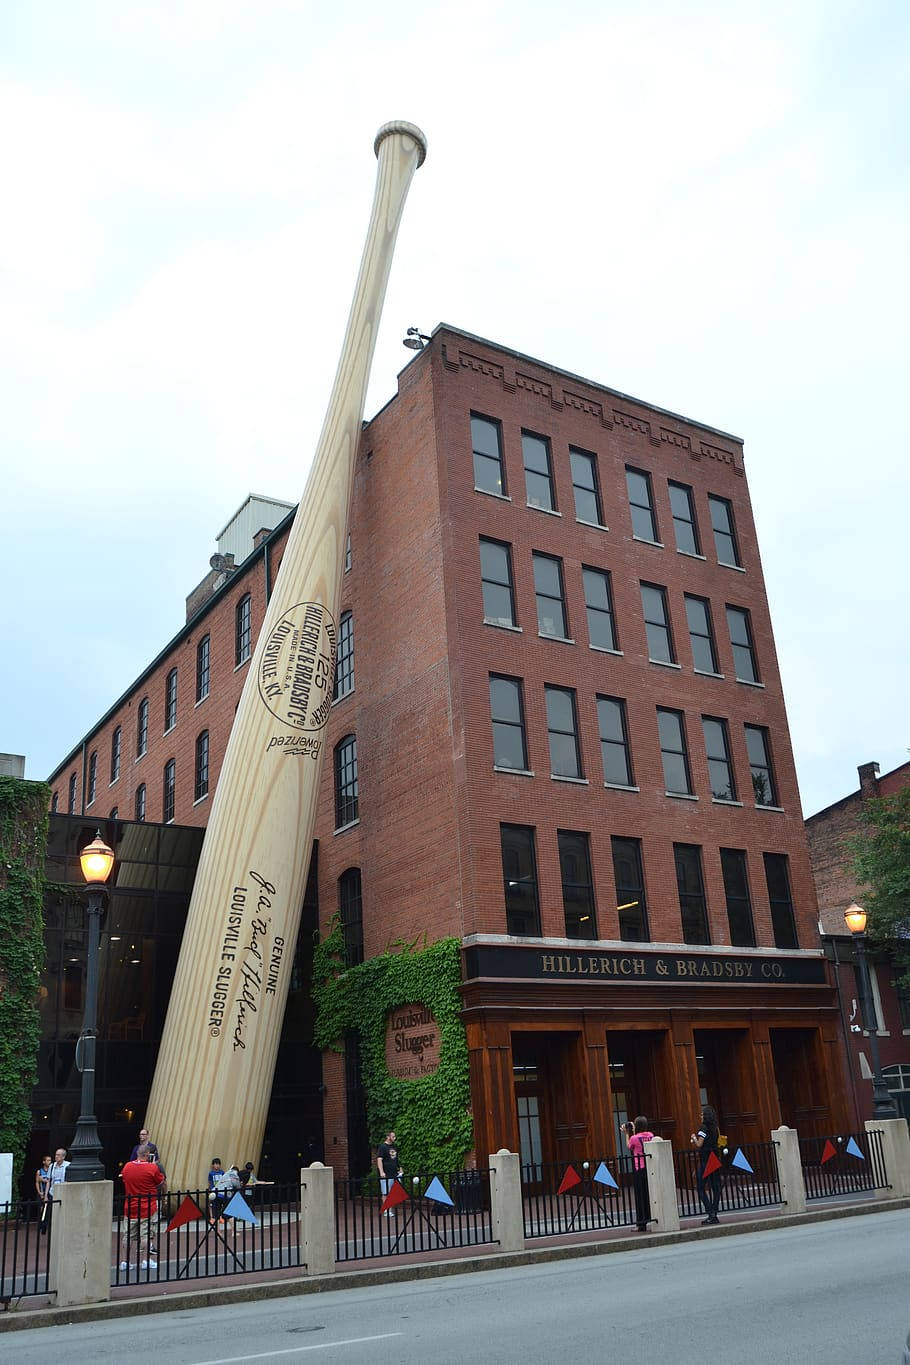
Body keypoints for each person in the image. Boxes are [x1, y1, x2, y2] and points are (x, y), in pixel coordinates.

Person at [119, 1143, 166, 1273]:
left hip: (130, 1206)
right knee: (146, 1234)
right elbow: (160, 1182)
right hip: (147, 1207)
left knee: (128, 1235)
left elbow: (124, 1179)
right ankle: (145, 1260)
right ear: (147, 1155)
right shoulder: (152, 1168)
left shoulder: (127, 1166)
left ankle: (125, 1261)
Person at [691, 1103, 722, 1224]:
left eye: (702, 1114)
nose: (701, 1116)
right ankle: (714, 1213)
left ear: (706, 1116)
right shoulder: (716, 1128)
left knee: (700, 1187)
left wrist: (694, 1137)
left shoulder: (703, 1128)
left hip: (706, 1159)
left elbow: (699, 1144)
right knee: (716, 1187)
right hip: (715, 1157)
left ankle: (710, 1213)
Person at [624, 1116, 655, 1231]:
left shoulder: (634, 1138)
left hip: (639, 1169)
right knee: (649, 1194)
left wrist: (627, 1134)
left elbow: (629, 1147)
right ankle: (650, 1217)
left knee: (640, 1196)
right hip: (650, 1167)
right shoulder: (651, 1135)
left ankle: (641, 1223)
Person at [377, 1130, 402, 1217]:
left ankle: (389, 1209)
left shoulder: (394, 1147)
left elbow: (396, 1159)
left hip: (394, 1173)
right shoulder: (382, 1147)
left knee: (392, 1192)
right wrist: (381, 1172)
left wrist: (400, 1168)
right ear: (388, 1137)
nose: (394, 1138)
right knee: (385, 1192)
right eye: (393, 1136)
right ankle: (386, 1210)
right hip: (386, 1173)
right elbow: (379, 1159)